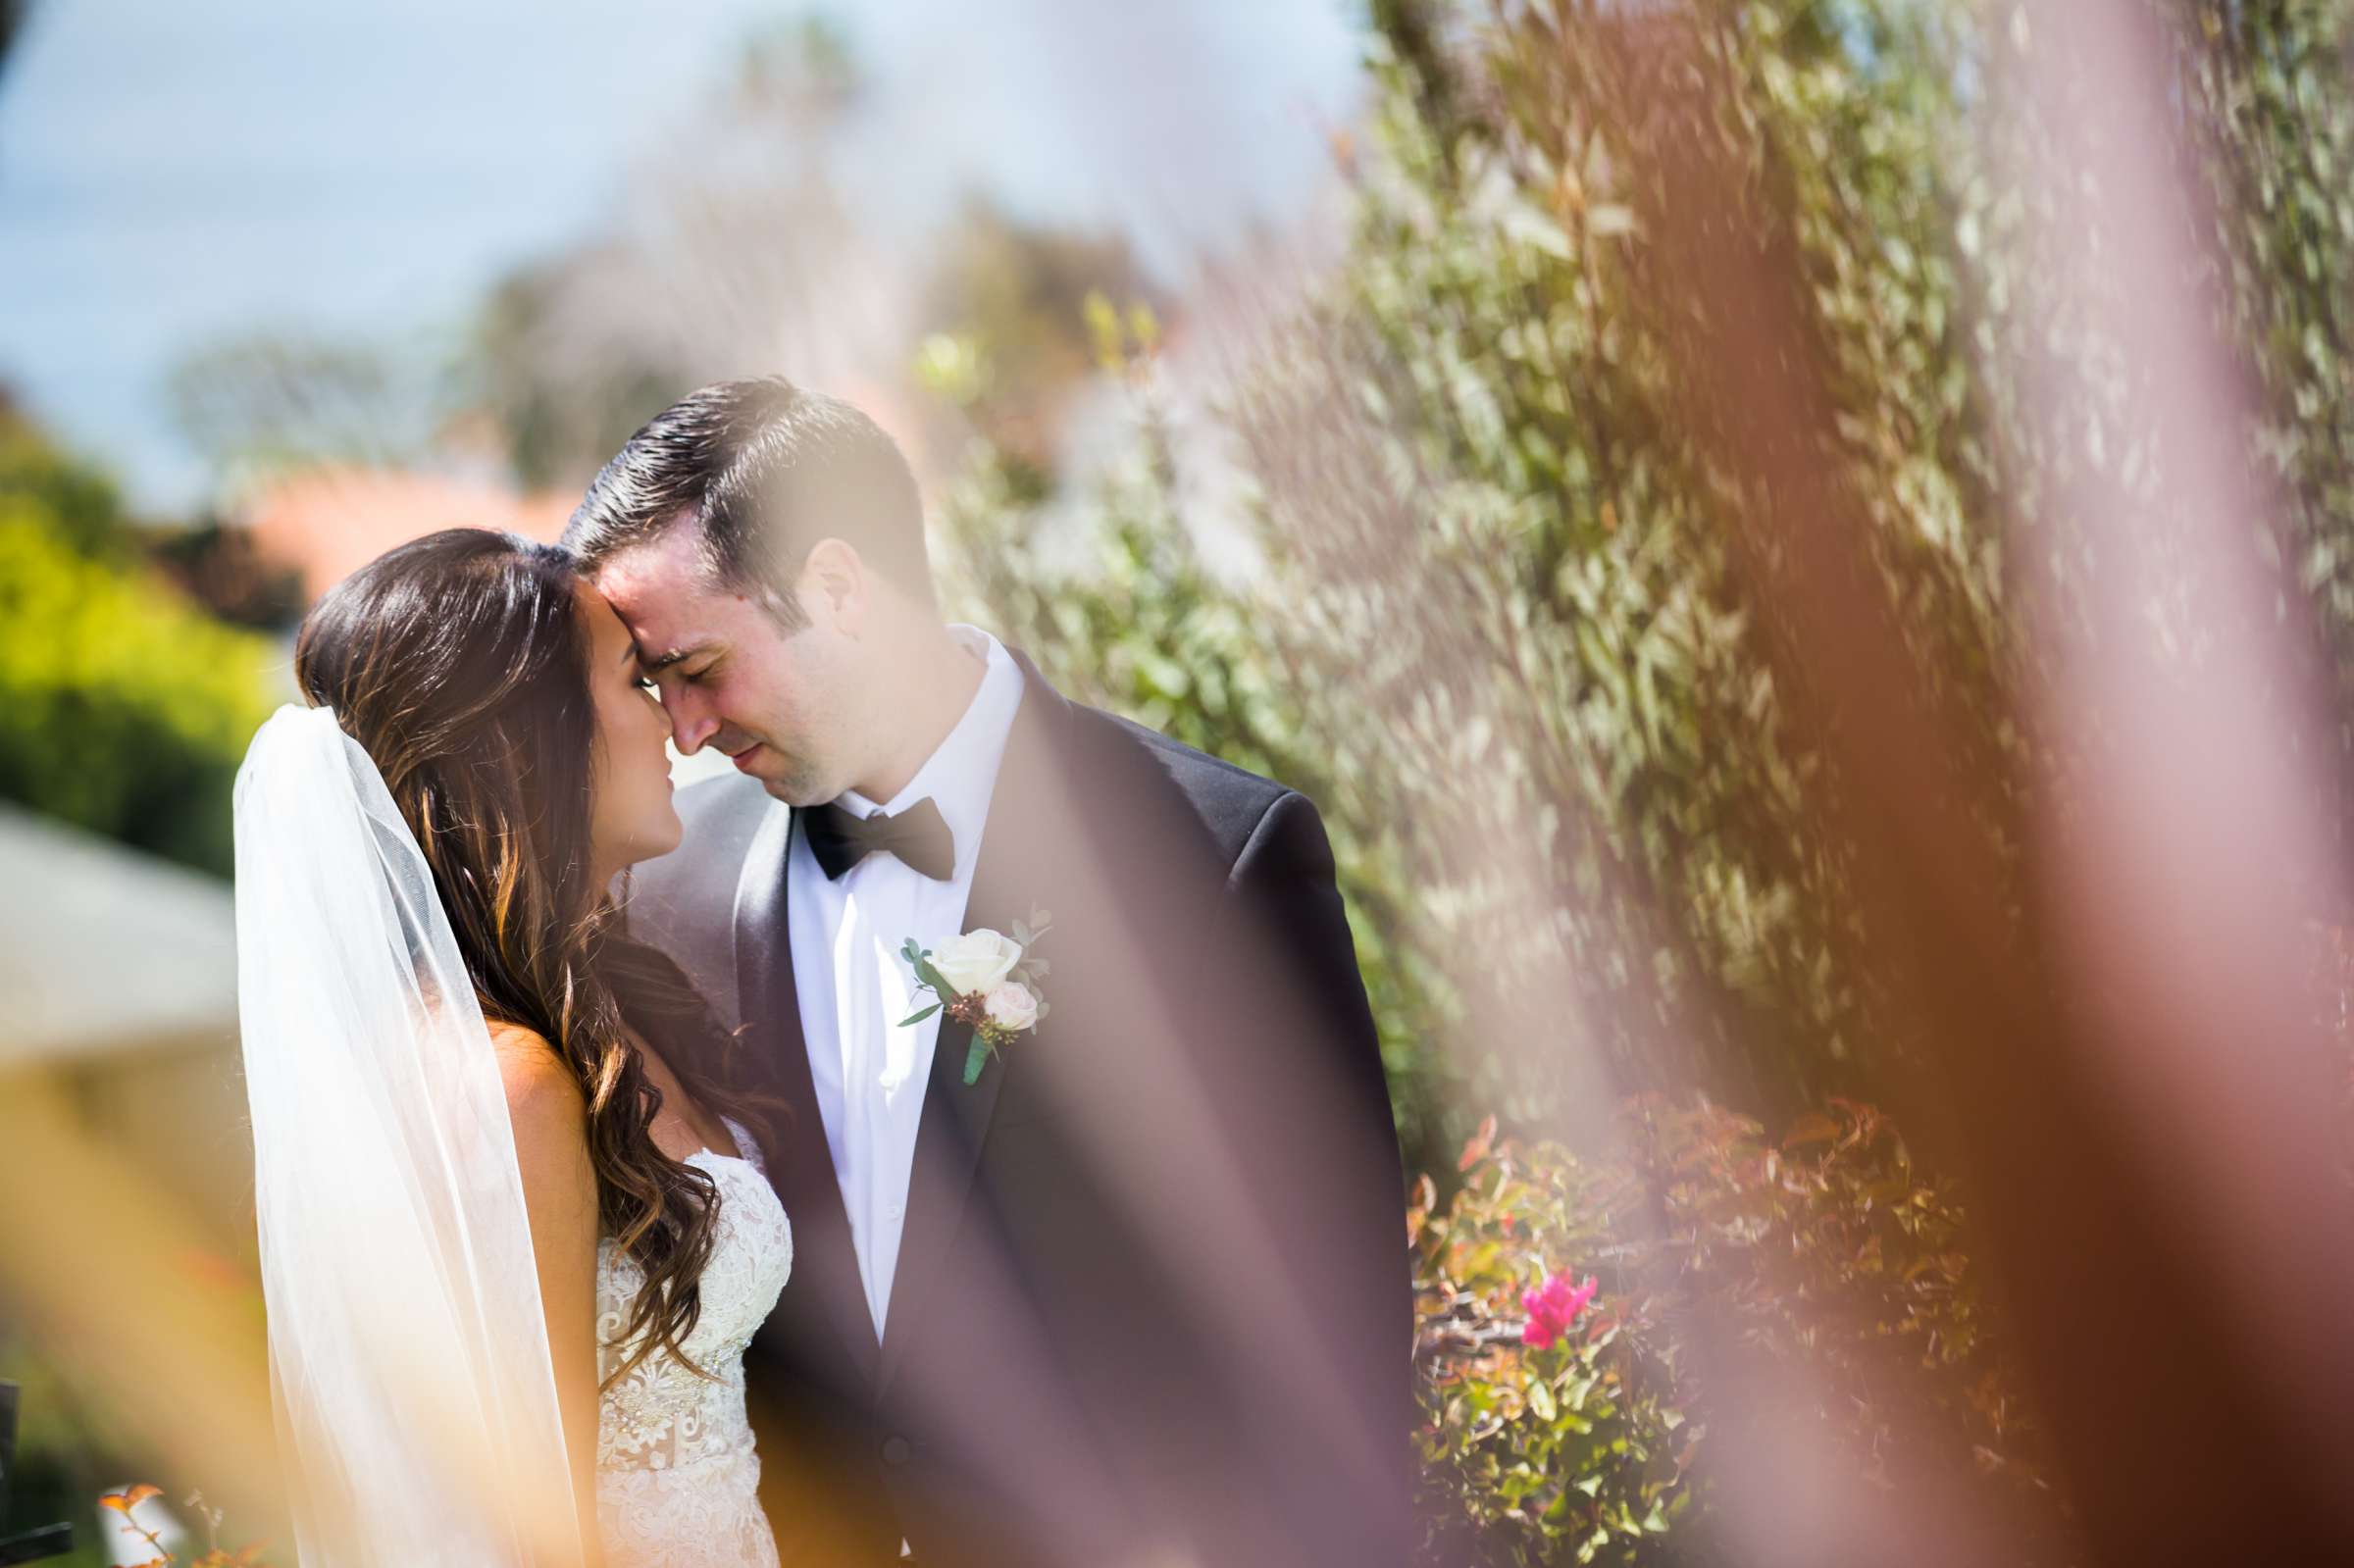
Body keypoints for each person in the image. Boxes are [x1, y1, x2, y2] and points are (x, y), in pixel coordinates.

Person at [564, 377, 1414, 1568]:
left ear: (841, 588)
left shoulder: (1211, 861)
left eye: (700, 665)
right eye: (657, 688)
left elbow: (1339, 1349)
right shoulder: (662, 899)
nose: (687, 729)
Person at [234, 529, 791, 1567]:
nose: (676, 724)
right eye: (635, 684)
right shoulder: (509, 1089)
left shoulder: (610, 1005)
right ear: (534, 744)